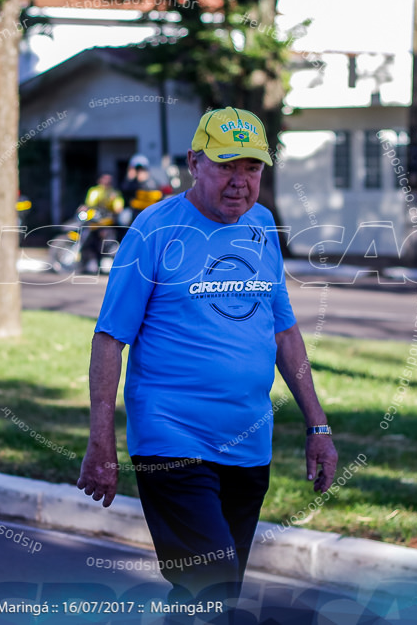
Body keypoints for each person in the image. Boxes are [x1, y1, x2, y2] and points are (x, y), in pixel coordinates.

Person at [77, 107, 339, 608]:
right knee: (212, 585)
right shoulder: (154, 230)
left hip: (248, 442)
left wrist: (318, 427)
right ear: (194, 163)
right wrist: (101, 442)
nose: (240, 182)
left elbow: (283, 330)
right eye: (226, 165)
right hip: (171, 436)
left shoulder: (261, 226)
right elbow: (110, 338)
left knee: (210, 597)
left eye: (252, 168)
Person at [79, 172, 124, 272]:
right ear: (100, 180)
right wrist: (83, 208)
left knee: (107, 239)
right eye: (105, 179)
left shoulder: (114, 193)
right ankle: (84, 262)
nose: (107, 182)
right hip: (93, 221)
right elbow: (88, 204)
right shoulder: (94, 191)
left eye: (109, 180)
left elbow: (118, 206)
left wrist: (117, 208)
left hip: (107, 222)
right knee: (87, 238)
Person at [120, 154, 162, 225]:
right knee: (124, 217)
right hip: (135, 213)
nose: (140, 172)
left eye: (142, 169)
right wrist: (130, 178)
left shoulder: (153, 182)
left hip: (151, 213)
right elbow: (124, 192)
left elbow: (159, 195)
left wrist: (145, 182)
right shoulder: (131, 184)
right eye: (137, 170)